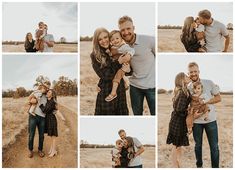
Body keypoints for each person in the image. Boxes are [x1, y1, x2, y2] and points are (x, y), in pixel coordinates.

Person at [118, 16, 155, 115]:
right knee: (137, 115)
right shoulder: (121, 47)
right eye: (122, 30)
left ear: (134, 28)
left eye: (128, 28)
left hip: (152, 86)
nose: (126, 32)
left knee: (154, 114)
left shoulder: (149, 40)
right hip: (134, 87)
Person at [187, 62, 221, 168]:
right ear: (188, 73)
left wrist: (205, 102)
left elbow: (218, 98)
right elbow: (188, 106)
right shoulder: (187, 87)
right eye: (191, 72)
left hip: (210, 120)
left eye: (195, 71)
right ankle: (199, 166)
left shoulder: (209, 82)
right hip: (196, 122)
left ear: (199, 72)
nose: (193, 74)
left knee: (214, 147)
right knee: (198, 146)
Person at [90, 27, 129, 115]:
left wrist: (127, 70)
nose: (104, 41)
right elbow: (105, 75)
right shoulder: (95, 55)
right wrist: (118, 62)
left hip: (120, 89)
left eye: (105, 37)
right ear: (97, 42)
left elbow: (128, 69)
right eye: (100, 39)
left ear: (109, 37)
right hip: (106, 90)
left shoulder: (117, 49)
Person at [166, 72, 192, 168]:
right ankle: (174, 166)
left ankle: (179, 164)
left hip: (178, 120)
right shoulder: (182, 92)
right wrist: (188, 112)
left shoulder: (183, 91)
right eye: (185, 76)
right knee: (176, 145)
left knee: (179, 145)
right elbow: (179, 110)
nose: (188, 76)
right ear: (182, 80)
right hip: (177, 121)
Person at [105, 30, 134, 102]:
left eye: (117, 38)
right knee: (120, 77)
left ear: (121, 38)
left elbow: (132, 50)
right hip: (118, 66)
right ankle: (126, 83)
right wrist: (109, 53)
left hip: (124, 66)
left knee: (117, 77)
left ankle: (113, 92)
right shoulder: (113, 47)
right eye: (112, 39)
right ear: (110, 41)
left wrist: (129, 55)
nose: (115, 40)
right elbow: (112, 55)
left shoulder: (124, 46)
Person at [28, 77, 51, 158]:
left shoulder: (48, 95)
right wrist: (32, 101)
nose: (46, 88)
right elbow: (29, 99)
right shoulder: (36, 92)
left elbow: (52, 103)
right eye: (45, 86)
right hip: (33, 116)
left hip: (42, 118)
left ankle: (40, 150)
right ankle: (30, 150)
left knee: (41, 135)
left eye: (48, 87)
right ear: (42, 86)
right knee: (31, 135)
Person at [39, 89, 65, 157]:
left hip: (52, 120)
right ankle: (52, 149)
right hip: (48, 119)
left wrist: (40, 105)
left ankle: (53, 151)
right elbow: (56, 110)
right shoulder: (48, 101)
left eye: (49, 92)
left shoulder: (52, 102)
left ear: (52, 94)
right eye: (47, 92)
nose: (47, 93)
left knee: (53, 137)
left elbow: (45, 110)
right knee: (51, 136)